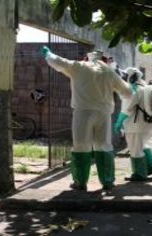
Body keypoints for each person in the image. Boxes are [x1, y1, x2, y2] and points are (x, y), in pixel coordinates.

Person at [42, 46, 132, 191]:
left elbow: (59, 62)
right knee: (104, 145)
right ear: (105, 60)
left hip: (83, 112)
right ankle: (107, 181)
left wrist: (48, 54)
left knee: (81, 146)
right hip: (103, 113)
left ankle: (80, 182)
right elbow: (127, 92)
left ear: (86, 58)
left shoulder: (78, 67)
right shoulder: (109, 72)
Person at [114, 67, 152, 181]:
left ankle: (139, 174)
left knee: (135, 149)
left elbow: (127, 109)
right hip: (148, 125)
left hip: (135, 126)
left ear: (130, 77)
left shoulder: (132, 90)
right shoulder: (145, 88)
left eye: (125, 76)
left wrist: (119, 123)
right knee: (142, 146)